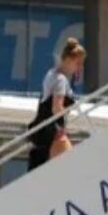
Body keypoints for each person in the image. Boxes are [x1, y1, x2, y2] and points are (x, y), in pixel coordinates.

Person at [28, 38, 86, 170]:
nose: (79, 68)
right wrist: (66, 116)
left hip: (45, 130)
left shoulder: (51, 73)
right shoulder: (60, 79)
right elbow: (56, 108)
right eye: (78, 63)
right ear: (69, 60)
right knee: (71, 171)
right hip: (54, 132)